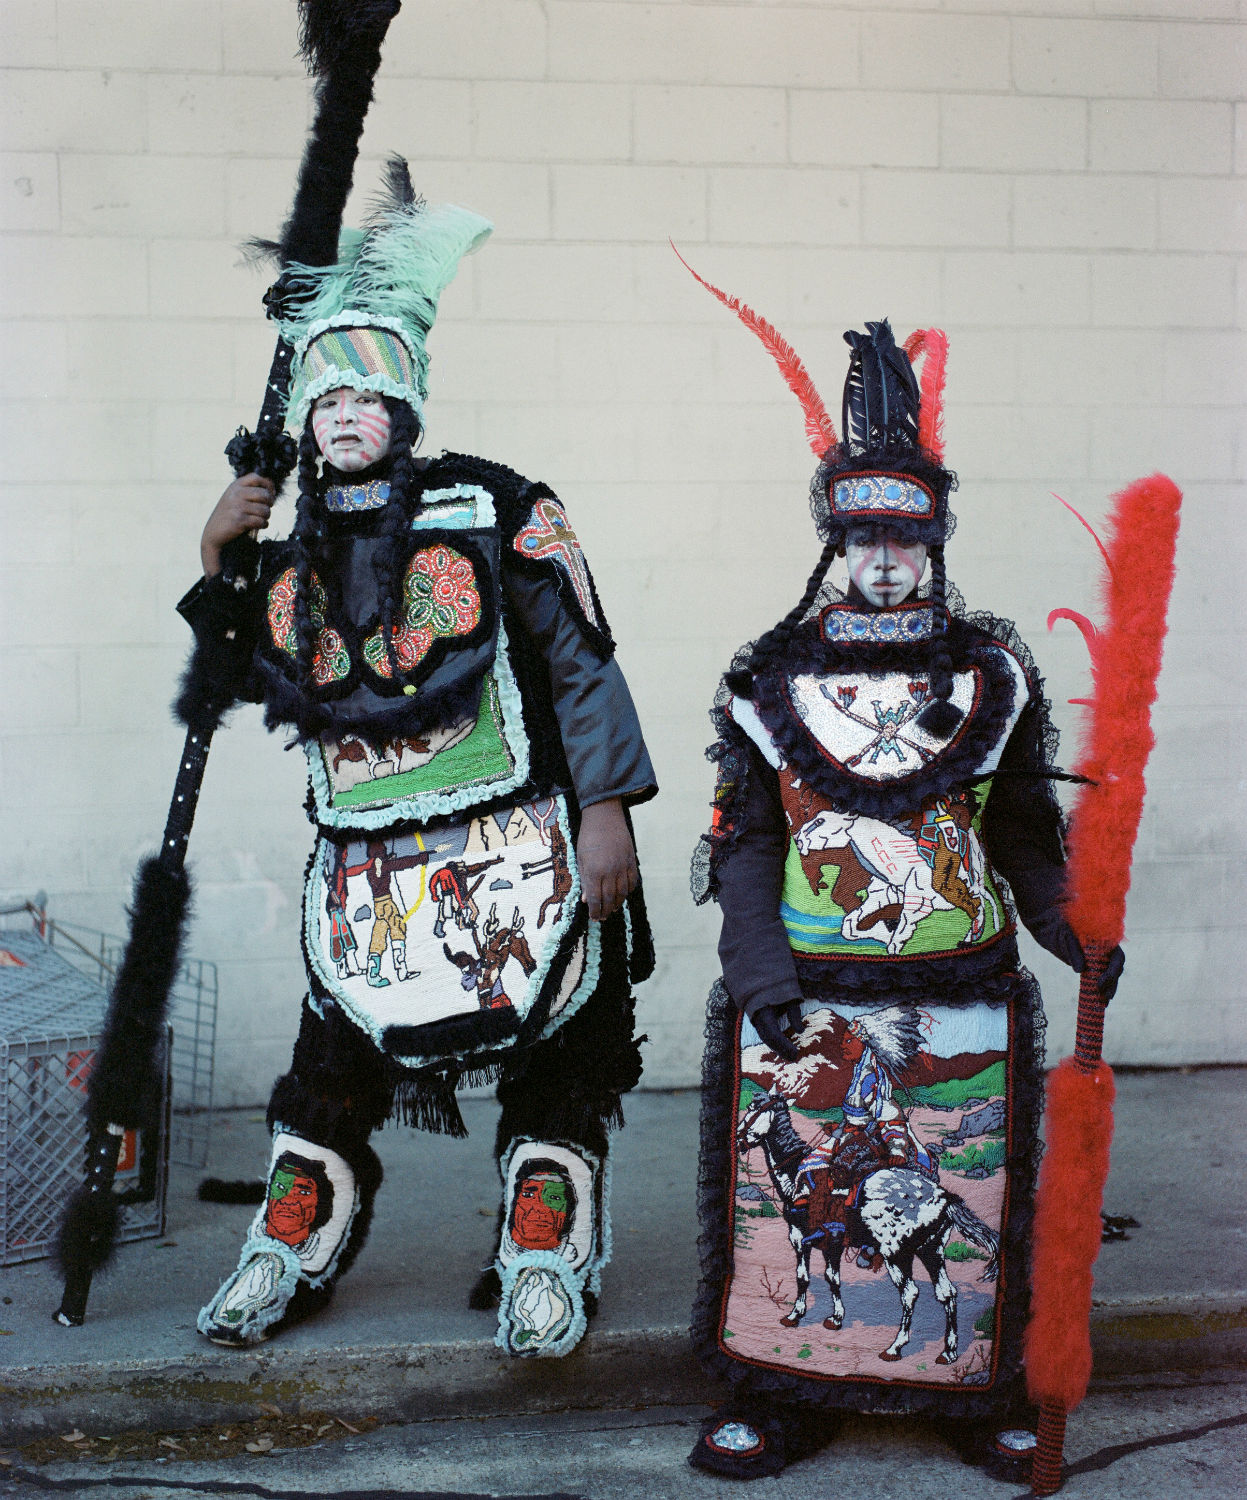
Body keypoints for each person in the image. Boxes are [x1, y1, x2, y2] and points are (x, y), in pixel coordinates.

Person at [182, 170, 656, 1359]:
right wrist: (219, 556)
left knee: (553, 1053)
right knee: (331, 1064)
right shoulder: (284, 549)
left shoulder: (498, 507)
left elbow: (583, 660)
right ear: (304, 418)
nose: (345, 413)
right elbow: (235, 686)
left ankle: (542, 1251)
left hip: (525, 846)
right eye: (326, 395)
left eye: (369, 392)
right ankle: (288, 1243)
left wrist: (606, 811)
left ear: (409, 402)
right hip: (366, 871)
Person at [681, 300, 1122, 1480]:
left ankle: (973, 1395)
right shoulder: (770, 678)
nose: (883, 561)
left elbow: (1023, 834)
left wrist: (1071, 933)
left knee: (963, 1210)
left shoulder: (991, 678)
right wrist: (760, 976)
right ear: (833, 541)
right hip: (802, 1003)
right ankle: (784, 1389)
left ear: (933, 543)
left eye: (904, 541)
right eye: (862, 540)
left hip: (961, 994)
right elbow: (741, 848)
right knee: (787, 1214)